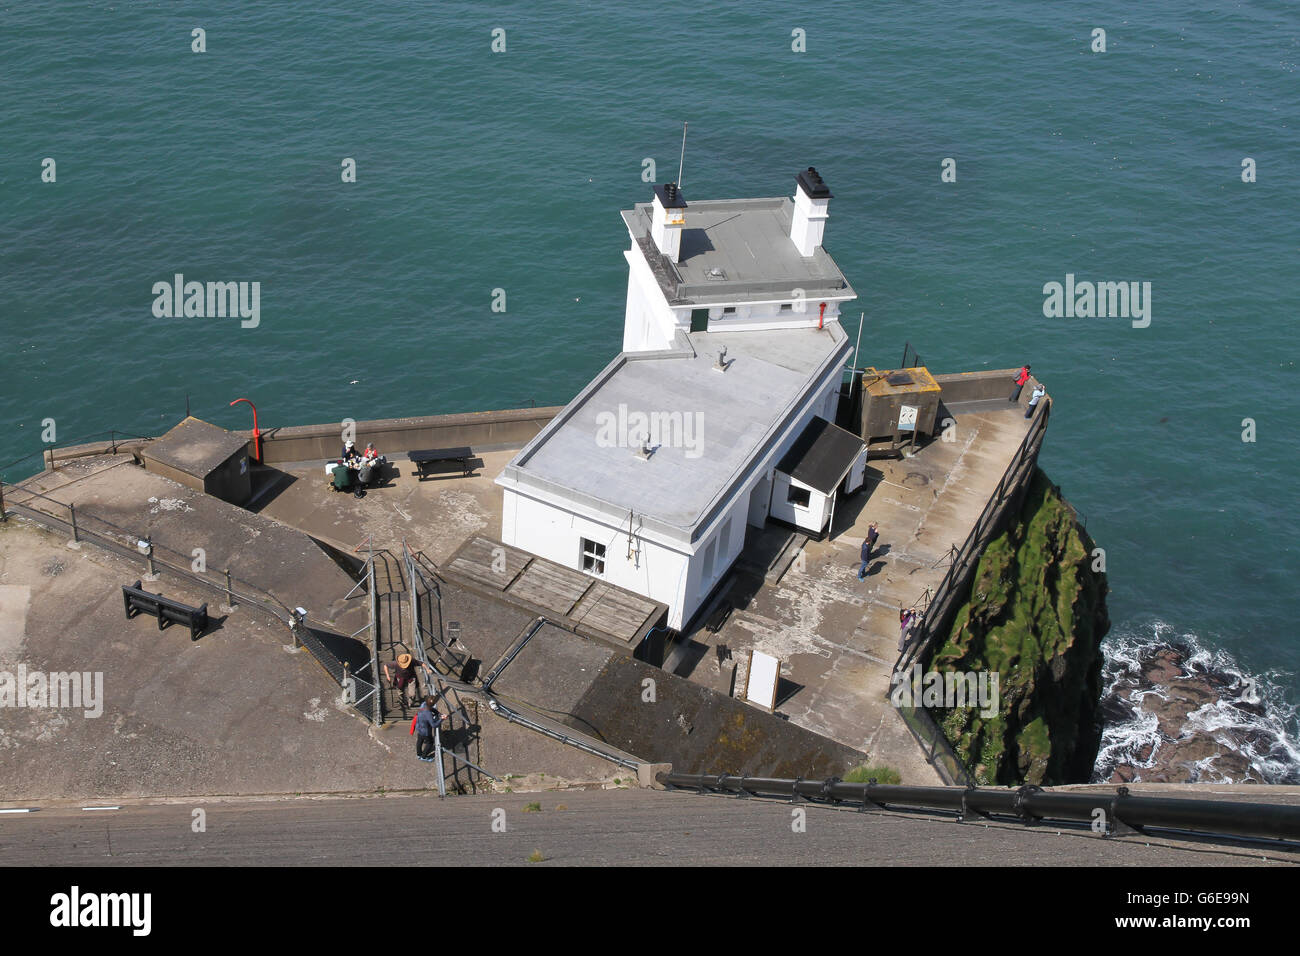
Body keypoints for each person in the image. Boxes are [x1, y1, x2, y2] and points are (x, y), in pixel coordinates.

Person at [412, 695, 444, 762]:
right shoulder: (428, 713)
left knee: (419, 741)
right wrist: (441, 719)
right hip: (425, 732)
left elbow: (430, 708)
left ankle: (419, 754)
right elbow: (434, 725)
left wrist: (437, 712)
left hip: (419, 727)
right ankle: (423, 756)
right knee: (430, 743)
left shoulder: (423, 704)